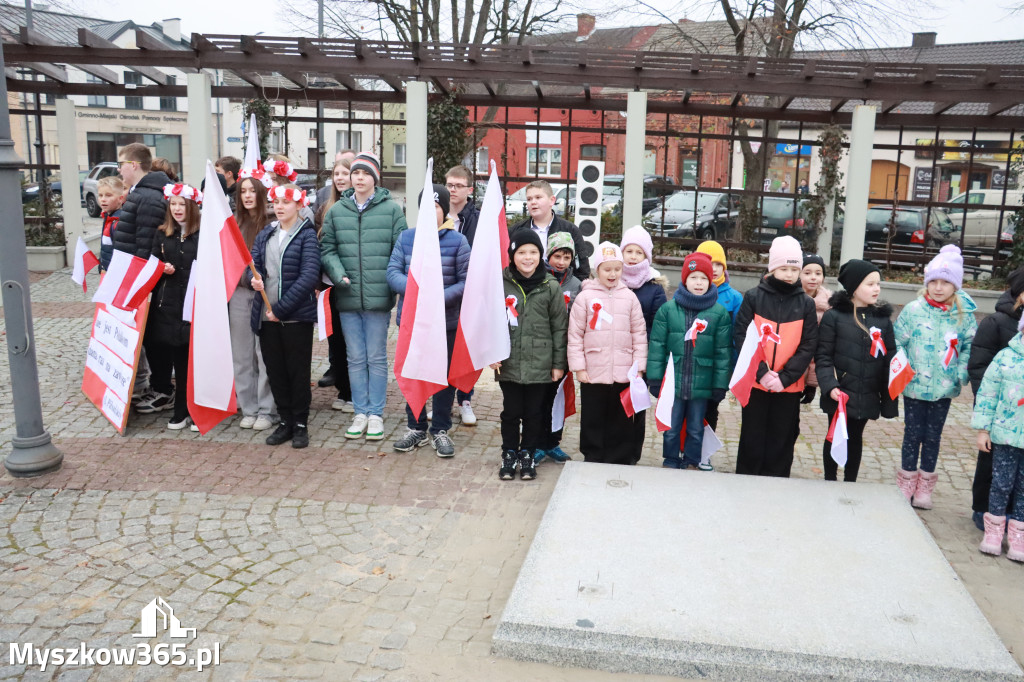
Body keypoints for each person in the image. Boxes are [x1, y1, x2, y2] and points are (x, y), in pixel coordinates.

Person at [320, 152, 408, 441]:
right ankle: (360, 412)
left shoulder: (392, 211)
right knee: (355, 358)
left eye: (365, 174)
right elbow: (327, 248)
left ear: (375, 179)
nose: (359, 178)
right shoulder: (336, 211)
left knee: (376, 357)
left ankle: (376, 414)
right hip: (347, 297)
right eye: (355, 173)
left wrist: (390, 283)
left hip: (379, 298)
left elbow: (401, 250)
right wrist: (337, 272)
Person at [388, 184, 470, 457]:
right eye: (425, 206)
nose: (429, 212)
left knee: (442, 376)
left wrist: (436, 298)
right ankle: (416, 427)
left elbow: (465, 280)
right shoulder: (406, 238)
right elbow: (393, 272)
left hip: (445, 322)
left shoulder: (457, 242)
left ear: (444, 210)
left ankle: (440, 429)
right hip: (412, 321)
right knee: (414, 371)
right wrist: (416, 293)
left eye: (435, 206)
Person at [894, 245, 977, 508]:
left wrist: (960, 374)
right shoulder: (913, 310)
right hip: (915, 386)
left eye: (945, 282)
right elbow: (898, 341)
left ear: (956, 286)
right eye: (934, 282)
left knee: (933, 435)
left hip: (943, 387)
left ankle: (925, 486)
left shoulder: (964, 316)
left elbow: (969, 347)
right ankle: (906, 479)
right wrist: (904, 370)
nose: (938, 288)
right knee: (912, 433)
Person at [733, 235, 819, 478]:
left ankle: (777, 480)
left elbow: (808, 343)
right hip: (757, 383)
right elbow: (741, 335)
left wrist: (785, 377)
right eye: (784, 268)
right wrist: (760, 372)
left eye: (794, 269)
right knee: (752, 434)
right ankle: (748, 478)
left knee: (782, 436)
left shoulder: (806, 304)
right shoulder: (753, 297)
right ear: (772, 268)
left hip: (788, 387)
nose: (790, 274)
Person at [814, 260, 898, 482]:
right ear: (853, 287)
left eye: (878, 284)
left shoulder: (882, 319)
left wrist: (890, 398)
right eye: (870, 284)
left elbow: (890, 358)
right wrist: (830, 386)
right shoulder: (834, 317)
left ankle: (851, 482)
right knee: (835, 435)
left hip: (868, 392)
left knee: (856, 437)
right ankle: (830, 480)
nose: (876, 289)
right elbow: (823, 356)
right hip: (841, 392)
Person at [494, 228, 568, 481]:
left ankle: (528, 452)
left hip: (541, 363)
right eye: (522, 252)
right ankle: (509, 453)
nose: (528, 258)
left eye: (533, 252)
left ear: (541, 255)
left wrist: (558, 363)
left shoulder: (550, 286)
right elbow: (490, 321)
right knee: (511, 412)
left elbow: (559, 327)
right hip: (510, 362)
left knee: (535, 412)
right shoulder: (500, 284)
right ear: (513, 255)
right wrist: (490, 352)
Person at [250, 185, 321, 449]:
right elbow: (254, 264)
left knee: (297, 372)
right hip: (266, 317)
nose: (279, 207)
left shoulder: (307, 236)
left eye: (286, 202)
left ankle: (300, 424)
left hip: (294, 318)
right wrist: (252, 279)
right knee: (276, 371)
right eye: (276, 202)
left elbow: (308, 277)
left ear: (299, 206)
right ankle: (284, 421)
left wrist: (280, 309)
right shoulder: (266, 234)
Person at [647, 252, 732, 470]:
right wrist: (655, 379)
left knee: (695, 426)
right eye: (694, 277)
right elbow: (657, 345)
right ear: (685, 280)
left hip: (702, 382)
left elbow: (723, 352)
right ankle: (671, 458)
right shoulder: (668, 310)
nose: (699, 283)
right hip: (673, 382)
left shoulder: (719, 313)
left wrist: (720, 384)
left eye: (704, 278)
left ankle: (692, 459)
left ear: (710, 281)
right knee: (672, 425)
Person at [568, 242, 648, 465]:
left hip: (624, 370)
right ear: (597, 270)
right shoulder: (585, 298)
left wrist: (639, 366)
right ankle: (593, 454)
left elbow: (639, 332)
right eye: (607, 269)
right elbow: (575, 334)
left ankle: (619, 455)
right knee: (593, 416)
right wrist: (580, 367)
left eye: (617, 269)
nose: (613, 274)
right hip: (594, 370)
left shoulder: (630, 298)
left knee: (620, 415)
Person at [138, 183, 201, 429]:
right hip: (170, 306)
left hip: (194, 304)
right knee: (177, 357)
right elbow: (152, 263)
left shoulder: (203, 233)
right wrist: (161, 269)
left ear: (191, 207)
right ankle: (181, 408)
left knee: (193, 360)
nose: (176, 209)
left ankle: (197, 408)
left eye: (181, 204)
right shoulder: (162, 233)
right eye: (173, 204)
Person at [968, 269, 1024, 530]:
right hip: (997, 409)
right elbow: (979, 365)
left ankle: (1015, 516)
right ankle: (983, 509)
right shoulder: (997, 322)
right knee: (991, 463)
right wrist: (988, 407)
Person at [116, 142, 172, 402]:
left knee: (155, 337)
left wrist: (138, 283)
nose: (119, 170)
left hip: (144, 280)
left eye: (121, 165)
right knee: (150, 337)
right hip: (137, 278)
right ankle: (156, 385)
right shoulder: (142, 192)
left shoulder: (148, 196)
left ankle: (161, 388)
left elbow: (146, 244)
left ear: (134, 165)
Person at [972, 315, 1024, 562]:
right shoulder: (1005, 357)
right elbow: (987, 394)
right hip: (1004, 434)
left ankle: (1019, 534)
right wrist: (984, 429)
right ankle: (993, 531)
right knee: (1001, 483)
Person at [229, 175, 277, 432]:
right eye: (242, 191)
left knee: (264, 354)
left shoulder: (272, 223)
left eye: (252, 191)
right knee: (242, 354)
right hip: (239, 294)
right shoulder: (233, 224)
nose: (247, 196)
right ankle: (248, 407)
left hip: (264, 293)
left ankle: (267, 409)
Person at [536, 232, 582, 465]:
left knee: (557, 399)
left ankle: (553, 442)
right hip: (540, 349)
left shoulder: (577, 285)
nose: (562, 262)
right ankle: (535, 442)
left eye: (566, 257)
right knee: (538, 399)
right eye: (557, 256)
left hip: (563, 350)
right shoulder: (539, 278)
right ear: (548, 255)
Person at [314, 158, 354, 413]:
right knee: (335, 339)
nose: (340, 178)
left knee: (352, 341)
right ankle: (342, 388)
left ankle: (352, 391)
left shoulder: (356, 207)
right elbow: (318, 248)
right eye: (336, 174)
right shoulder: (325, 208)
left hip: (350, 284)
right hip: (329, 286)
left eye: (345, 173)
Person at [695, 240, 743, 432]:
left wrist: (733, 369)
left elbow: (738, 336)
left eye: (718, 264)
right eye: (709, 263)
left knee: (710, 410)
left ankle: (704, 451)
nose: (714, 269)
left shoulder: (734, 298)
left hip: (718, 367)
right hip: (693, 365)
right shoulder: (691, 291)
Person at [446, 164, 481, 425]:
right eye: (449, 185)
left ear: (469, 189)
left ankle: (465, 399)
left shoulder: (477, 219)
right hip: (444, 294)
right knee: (443, 349)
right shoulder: (436, 215)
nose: (453, 190)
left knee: (466, 349)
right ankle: (441, 399)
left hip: (470, 293)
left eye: (458, 185)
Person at [509, 180, 590, 279]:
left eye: (538, 197)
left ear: (552, 200)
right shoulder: (516, 231)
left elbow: (582, 270)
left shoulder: (570, 230)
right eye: (529, 199)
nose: (533, 202)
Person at [619, 225, 667, 339]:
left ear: (646, 256)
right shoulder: (613, 280)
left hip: (643, 347)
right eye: (629, 251)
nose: (633, 257)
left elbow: (658, 325)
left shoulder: (655, 287)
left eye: (639, 253)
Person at [800, 253, 832, 405]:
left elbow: (820, 347)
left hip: (812, 365)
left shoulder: (828, 307)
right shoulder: (793, 301)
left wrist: (812, 383)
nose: (813, 277)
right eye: (807, 273)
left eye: (818, 273)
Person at [96, 176, 125, 272]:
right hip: (106, 270)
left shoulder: (119, 222)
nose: (103, 199)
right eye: (100, 195)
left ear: (120, 199)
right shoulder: (107, 217)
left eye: (108, 195)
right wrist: (101, 265)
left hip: (115, 274)